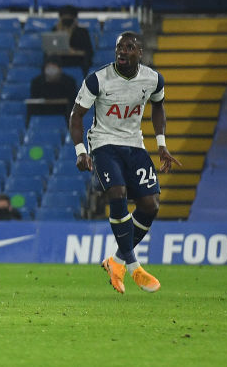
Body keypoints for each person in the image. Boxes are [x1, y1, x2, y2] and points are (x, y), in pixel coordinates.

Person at [70, 32, 180, 294]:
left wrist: (161, 144)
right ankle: (133, 265)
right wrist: (81, 151)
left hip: (134, 144)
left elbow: (158, 106)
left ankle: (116, 262)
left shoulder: (153, 79)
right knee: (117, 193)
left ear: (140, 52)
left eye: (129, 47)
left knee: (150, 205)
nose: (122, 51)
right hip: (104, 143)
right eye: (120, 47)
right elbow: (76, 115)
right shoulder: (98, 79)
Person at [51, 5, 94, 76]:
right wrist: (60, 33)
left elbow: (88, 52)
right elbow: (51, 49)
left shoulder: (82, 32)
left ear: (75, 19)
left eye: (69, 18)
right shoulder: (55, 30)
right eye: (64, 18)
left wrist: (74, 52)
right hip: (59, 61)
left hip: (76, 61)